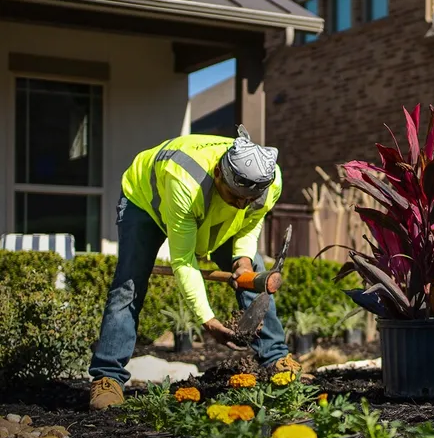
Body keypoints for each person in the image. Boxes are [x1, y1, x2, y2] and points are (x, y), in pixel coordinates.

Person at [88, 125, 301, 411]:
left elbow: (250, 225)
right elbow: (184, 260)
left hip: (207, 208)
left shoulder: (268, 183)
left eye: (247, 200)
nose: (241, 205)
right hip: (146, 204)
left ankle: (276, 360)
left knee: (256, 275)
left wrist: (243, 261)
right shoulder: (184, 181)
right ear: (218, 174)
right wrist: (207, 320)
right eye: (235, 195)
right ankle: (107, 377)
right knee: (129, 284)